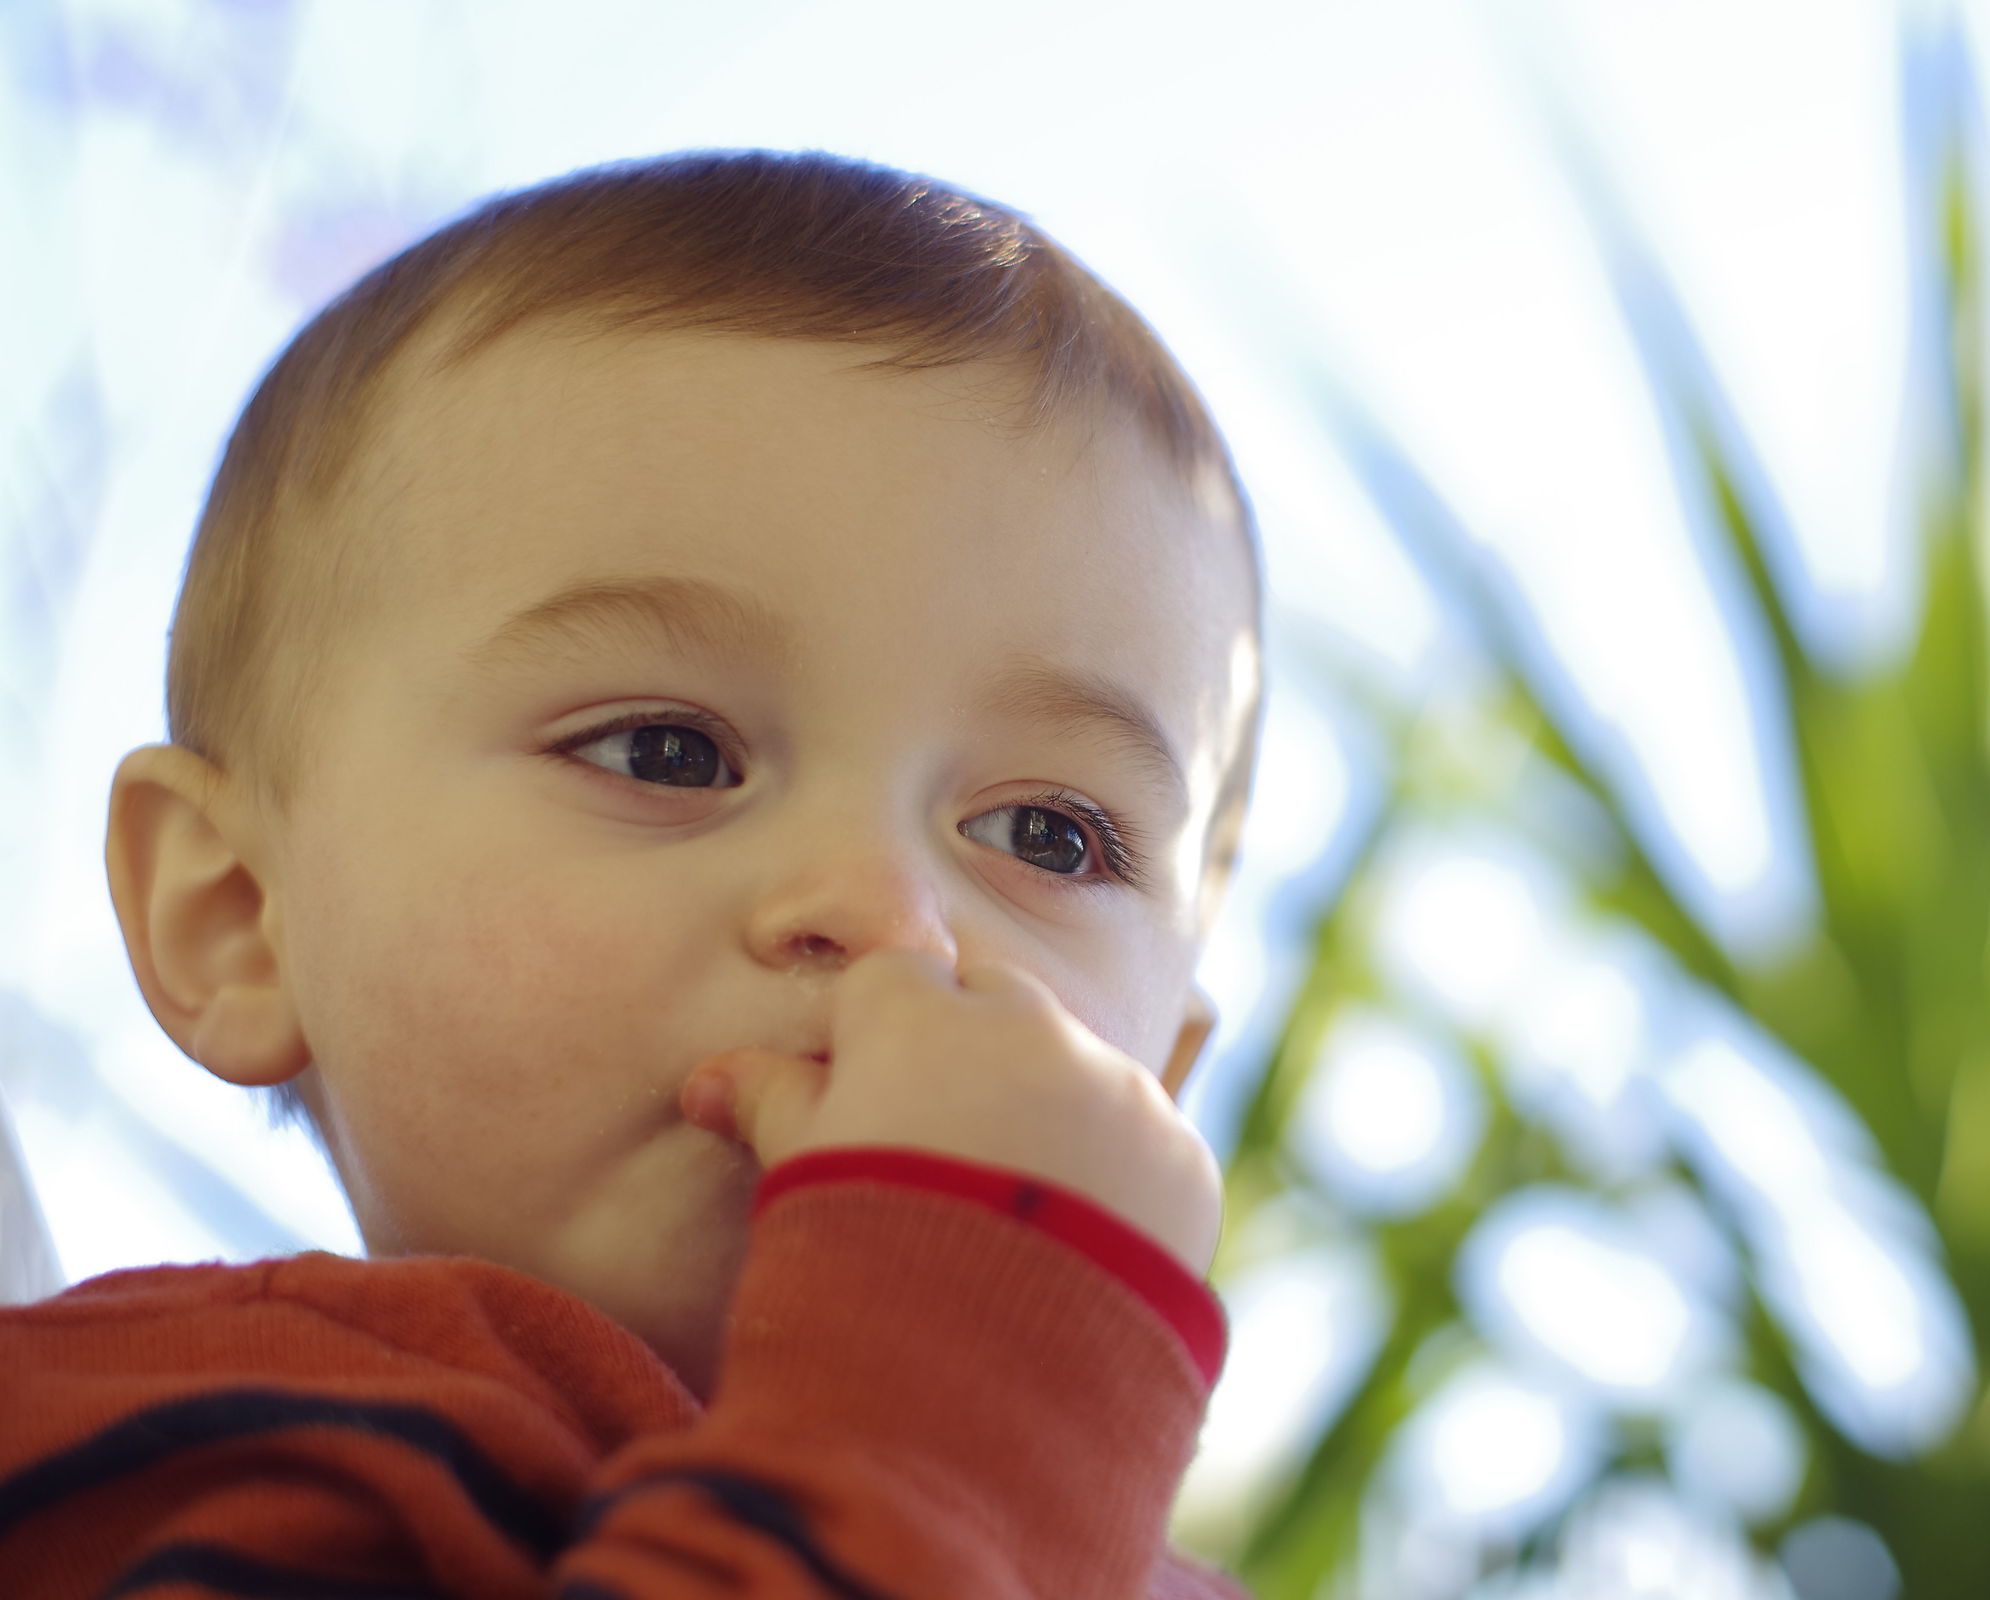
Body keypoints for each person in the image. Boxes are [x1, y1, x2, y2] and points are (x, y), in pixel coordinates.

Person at [0, 149, 1264, 1599]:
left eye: (1049, 836)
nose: (888, 921)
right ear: (237, 917)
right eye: (666, 751)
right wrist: (943, 1449)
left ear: (1156, 1084)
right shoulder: (174, 1447)